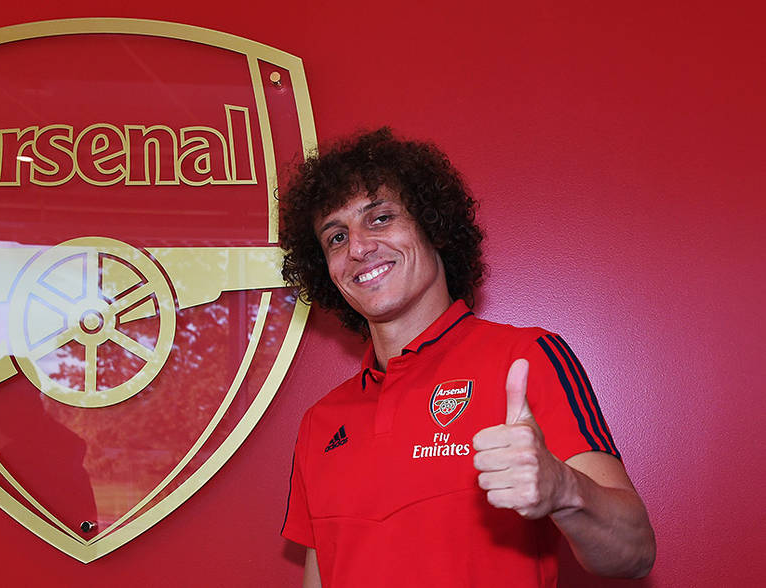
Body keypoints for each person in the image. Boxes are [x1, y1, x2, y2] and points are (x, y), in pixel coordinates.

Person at [278, 128, 655, 587]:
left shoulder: (525, 358)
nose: (357, 247)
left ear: (433, 227)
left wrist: (562, 489)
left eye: (379, 218)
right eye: (335, 237)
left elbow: (634, 552)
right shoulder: (320, 422)